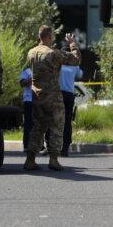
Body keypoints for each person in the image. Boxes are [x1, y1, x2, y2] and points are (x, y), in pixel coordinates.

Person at [24, 26, 80, 172]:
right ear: (49, 37)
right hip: (53, 97)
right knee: (57, 126)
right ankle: (53, 159)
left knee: (38, 127)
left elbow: (27, 72)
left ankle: (30, 159)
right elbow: (75, 59)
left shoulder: (31, 52)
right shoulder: (53, 53)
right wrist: (72, 44)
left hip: (37, 96)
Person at [59, 56, 83, 157]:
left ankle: (52, 146)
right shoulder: (74, 65)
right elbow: (80, 75)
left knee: (55, 119)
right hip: (69, 94)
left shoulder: (58, 63)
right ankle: (65, 147)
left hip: (58, 94)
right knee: (67, 121)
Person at [19, 65, 38, 153]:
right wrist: (32, 79)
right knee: (28, 124)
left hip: (39, 101)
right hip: (29, 100)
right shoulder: (27, 71)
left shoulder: (43, 70)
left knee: (38, 124)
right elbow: (22, 83)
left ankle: (38, 145)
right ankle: (26, 145)